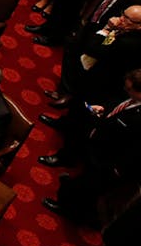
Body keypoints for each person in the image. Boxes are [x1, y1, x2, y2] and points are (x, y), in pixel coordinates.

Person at [44, 67, 141, 226]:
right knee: (85, 179)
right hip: (98, 145)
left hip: (109, 162)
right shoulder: (132, 99)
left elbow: (134, 150)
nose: (126, 90)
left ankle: (68, 210)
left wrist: (116, 169)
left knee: (89, 189)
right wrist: (105, 110)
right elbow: (119, 107)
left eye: (129, 89)